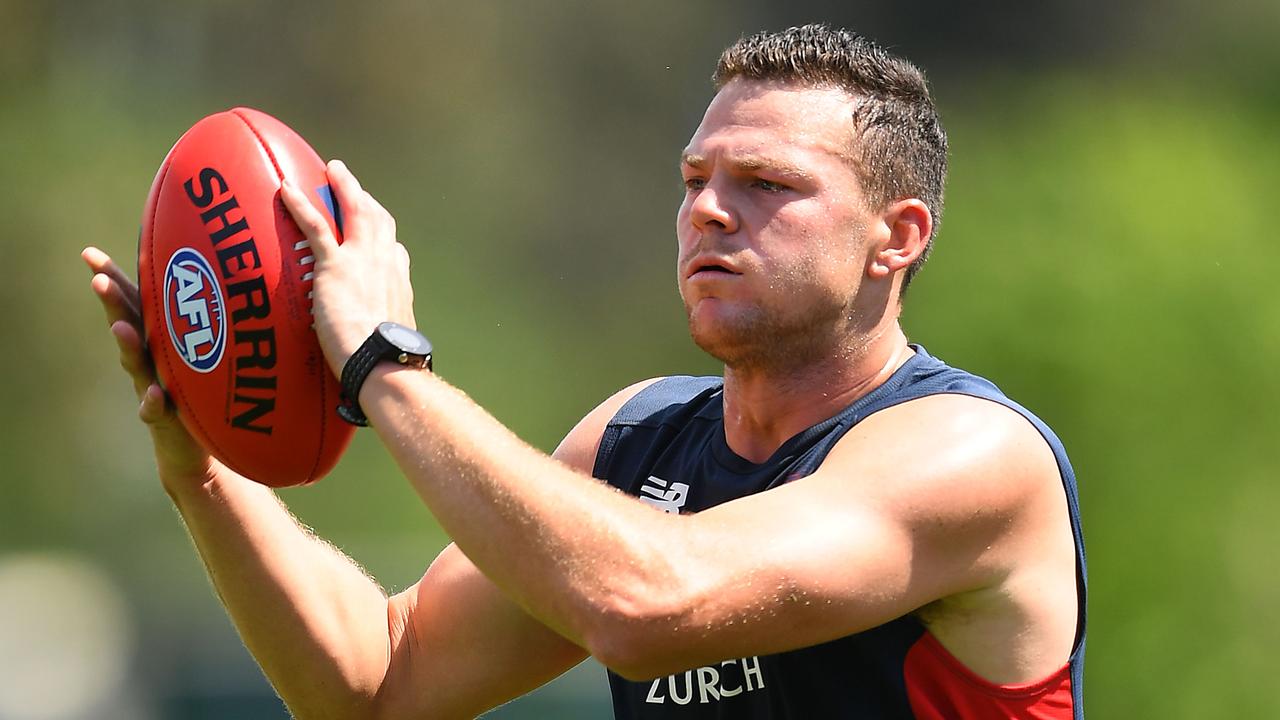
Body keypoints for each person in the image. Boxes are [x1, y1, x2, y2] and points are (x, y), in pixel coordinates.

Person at [85, 24, 1085, 720]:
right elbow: (374, 685)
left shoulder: (969, 455)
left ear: (894, 237)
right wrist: (205, 465)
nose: (707, 210)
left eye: (767, 184)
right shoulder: (635, 443)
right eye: (694, 180)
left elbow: (649, 604)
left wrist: (384, 365)